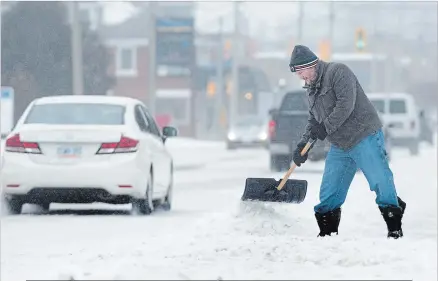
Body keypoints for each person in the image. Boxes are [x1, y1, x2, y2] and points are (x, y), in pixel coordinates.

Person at [288, 45, 406, 239]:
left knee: (379, 179)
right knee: (329, 190)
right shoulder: (311, 91)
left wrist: (325, 127)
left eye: (302, 71)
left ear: (312, 65)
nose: (301, 77)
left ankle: (394, 227)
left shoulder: (338, 72)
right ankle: (327, 234)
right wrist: (303, 146)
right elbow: (313, 121)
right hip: (341, 144)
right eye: (297, 73)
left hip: (363, 134)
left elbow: (346, 104)